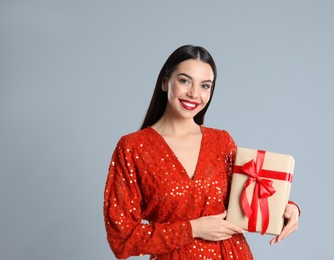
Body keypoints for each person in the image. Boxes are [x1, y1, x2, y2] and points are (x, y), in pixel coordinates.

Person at [103, 45, 300, 259]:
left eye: (205, 86)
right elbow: (121, 239)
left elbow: (248, 199)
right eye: (185, 81)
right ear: (164, 82)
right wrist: (193, 229)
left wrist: (288, 208)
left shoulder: (222, 141)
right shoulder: (133, 148)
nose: (194, 94)